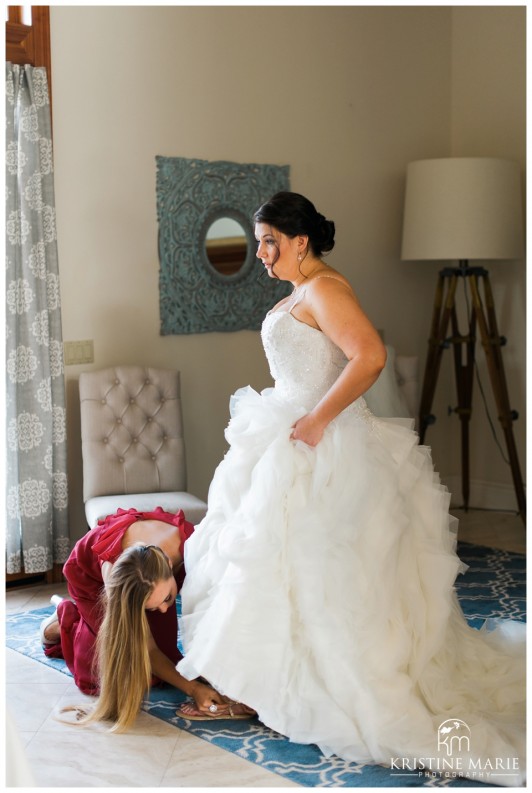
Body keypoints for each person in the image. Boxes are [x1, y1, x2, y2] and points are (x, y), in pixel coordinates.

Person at [175, 192, 525, 784]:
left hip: (323, 443)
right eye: (259, 242)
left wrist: (317, 421)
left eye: (269, 241)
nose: (260, 253)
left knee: (318, 570)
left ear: (301, 241)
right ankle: (254, 682)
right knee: (267, 562)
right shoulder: (305, 290)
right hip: (290, 434)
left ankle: (299, 684)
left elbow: (369, 356)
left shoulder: (326, 289)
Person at [41, 506, 245, 732]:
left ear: (168, 563)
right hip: (90, 577)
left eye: (168, 598)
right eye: (155, 605)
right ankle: (65, 621)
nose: (166, 609)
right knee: (111, 671)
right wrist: (194, 689)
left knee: (167, 663)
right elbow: (146, 649)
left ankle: (85, 623)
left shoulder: (190, 544)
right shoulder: (114, 583)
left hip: (144, 572)